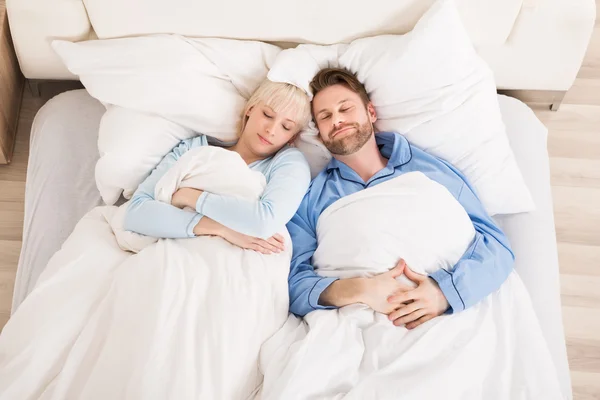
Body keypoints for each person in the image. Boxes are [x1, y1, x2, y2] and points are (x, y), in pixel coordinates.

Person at [287, 68, 515, 330]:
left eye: (345, 108)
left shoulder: (431, 170)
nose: (337, 120)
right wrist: (358, 289)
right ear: (319, 133)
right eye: (325, 116)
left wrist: (445, 292)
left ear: (371, 113)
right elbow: (293, 284)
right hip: (357, 324)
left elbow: (495, 245)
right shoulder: (311, 199)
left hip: (448, 316)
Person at [124, 79, 312, 254]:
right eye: (267, 115)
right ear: (250, 109)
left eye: (286, 127)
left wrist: (189, 196)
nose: (271, 130)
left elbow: (264, 222)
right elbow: (136, 213)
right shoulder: (194, 149)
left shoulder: (289, 163)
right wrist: (220, 228)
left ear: (292, 138)